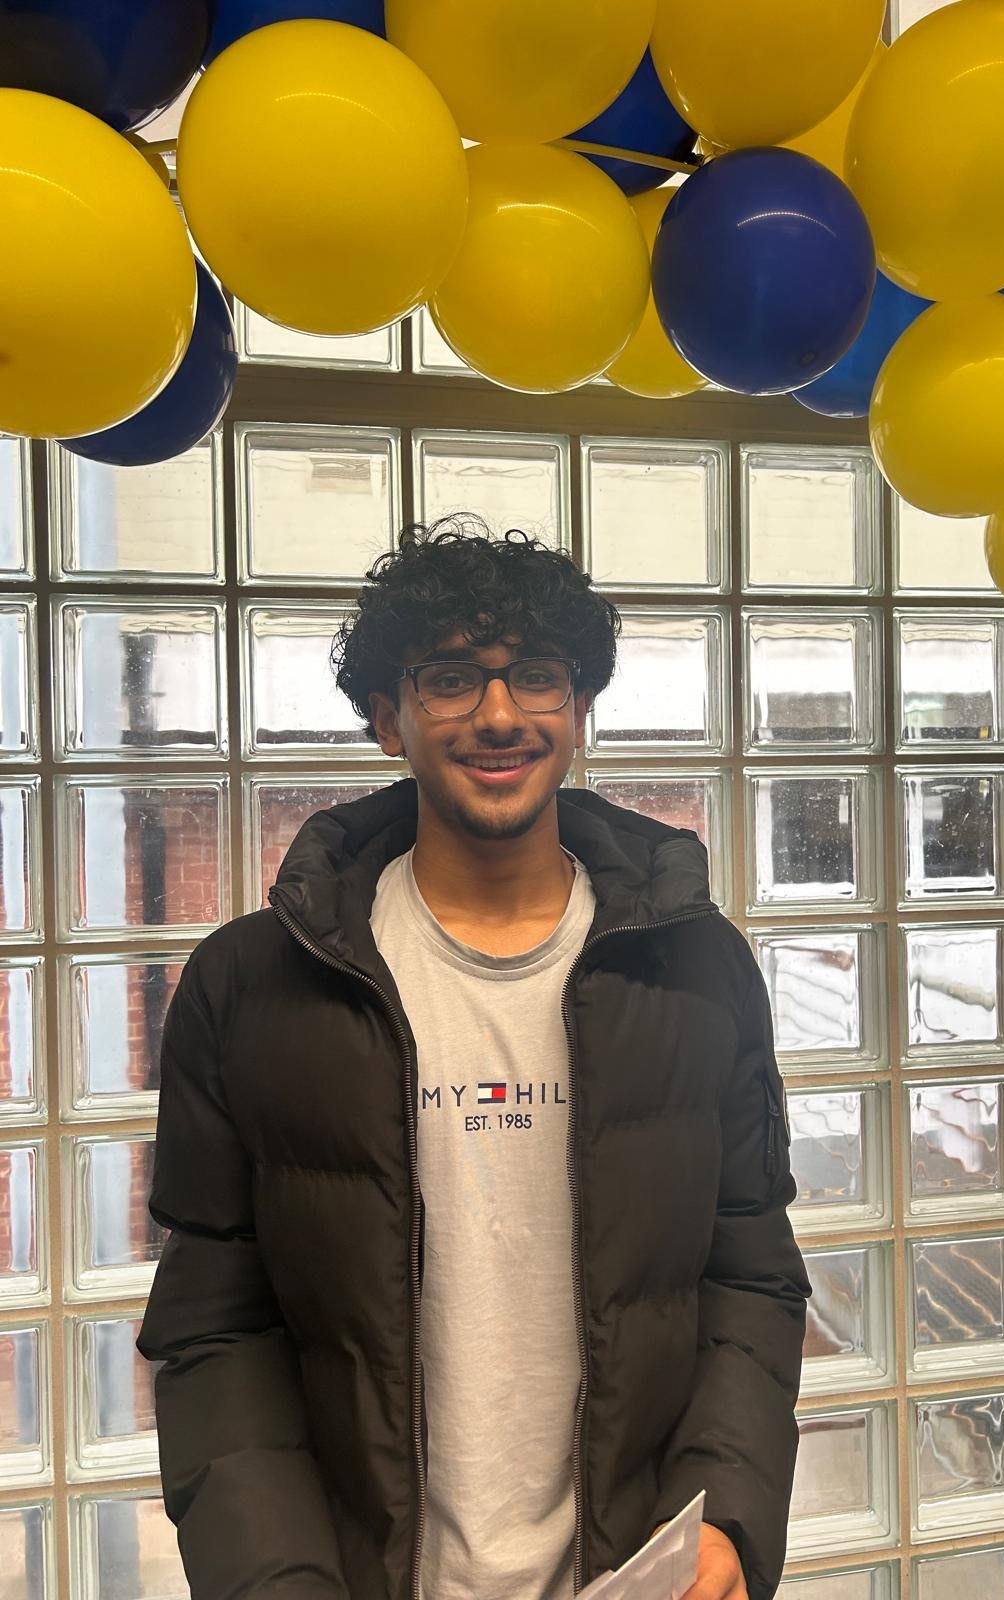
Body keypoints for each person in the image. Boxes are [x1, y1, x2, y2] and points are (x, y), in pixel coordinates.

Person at [136, 519, 811, 1600]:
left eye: (536, 675)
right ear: (386, 717)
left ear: (578, 710)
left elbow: (750, 1276)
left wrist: (725, 1515)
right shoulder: (251, 984)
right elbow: (216, 1329)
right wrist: (274, 1578)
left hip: (637, 1576)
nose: (500, 714)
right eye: (451, 678)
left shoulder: (695, 967)